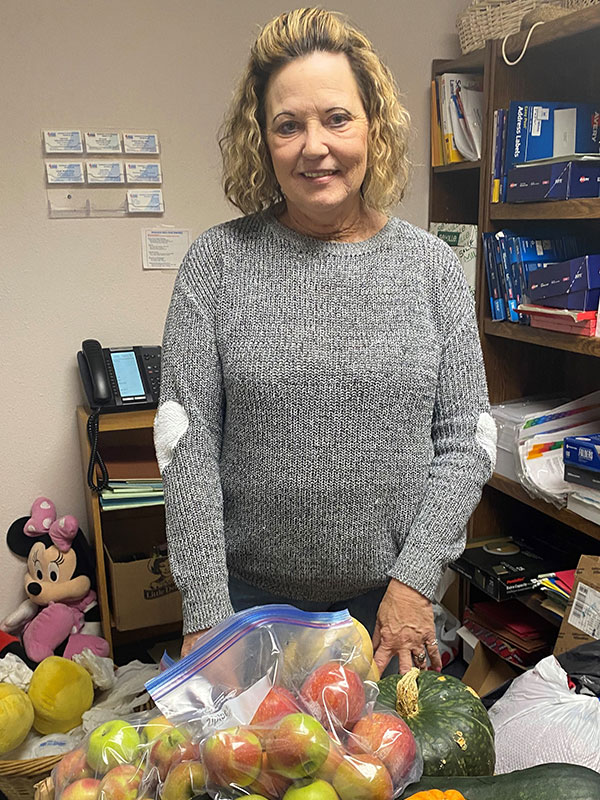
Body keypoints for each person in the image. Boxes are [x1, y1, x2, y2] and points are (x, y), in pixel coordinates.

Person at [154, 7, 496, 675]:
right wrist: (203, 609)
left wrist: (416, 579)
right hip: (247, 609)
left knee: (393, 777)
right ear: (263, 140)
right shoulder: (216, 264)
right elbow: (186, 443)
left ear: (372, 124)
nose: (315, 146)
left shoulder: (431, 268)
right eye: (289, 125)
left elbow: (467, 437)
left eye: (337, 118)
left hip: (393, 607)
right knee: (258, 781)